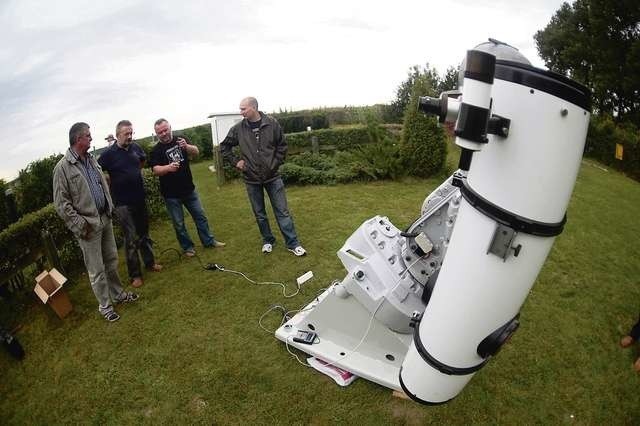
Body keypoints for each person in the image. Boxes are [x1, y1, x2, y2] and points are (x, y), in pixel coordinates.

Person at [53, 122, 138, 322]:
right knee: (96, 270)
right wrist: (81, 225)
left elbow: (101, 184)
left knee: (111, 261)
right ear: (78, 139)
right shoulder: (62, 168)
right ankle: (105, 306)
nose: (91, 139)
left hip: (104, 219)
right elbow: (61, 204)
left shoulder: (91, 159)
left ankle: (118, 295)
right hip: (88, 226)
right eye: (88, 136)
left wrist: (109, 208)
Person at [220, 97, 306, 256]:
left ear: (253, 107)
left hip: (273, 177)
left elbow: (282, 145)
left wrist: (275, 163)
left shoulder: (272, 123)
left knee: (282, 211)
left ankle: (293, 243)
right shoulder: (238, 128)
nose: (241, 112)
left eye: (243, 109)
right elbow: (224, 147)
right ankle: (268, 241)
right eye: (240, 109)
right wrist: (236, 161)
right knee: (259, 214)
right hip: (251, 179)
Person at [98, 120, 162, 288]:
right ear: (118, 134)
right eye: (126, 134)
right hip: (122, 203)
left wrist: (133, 173)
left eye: (131, 133)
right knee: (131, 238)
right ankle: (135, 275)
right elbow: (97, 170)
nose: (130, 136)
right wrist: (106, 180)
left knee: (144, 234)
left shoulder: (135, 148)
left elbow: (141, 161)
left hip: (139, 198)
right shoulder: (108, 154)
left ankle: (150, 263)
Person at [149, 118, 225, 256]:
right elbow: (155, 170)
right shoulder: (156, 150)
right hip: (171, 195)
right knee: (179, 224)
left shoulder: (180, 139)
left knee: (200, 217)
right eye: (160, 132)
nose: (164, 133)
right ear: (156, 133)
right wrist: (168, 168)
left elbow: (196, 152)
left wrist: (187, 147)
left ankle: (209, 241)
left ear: (170, 127)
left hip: (189, 190)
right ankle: (188, 248)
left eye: (166, 130)